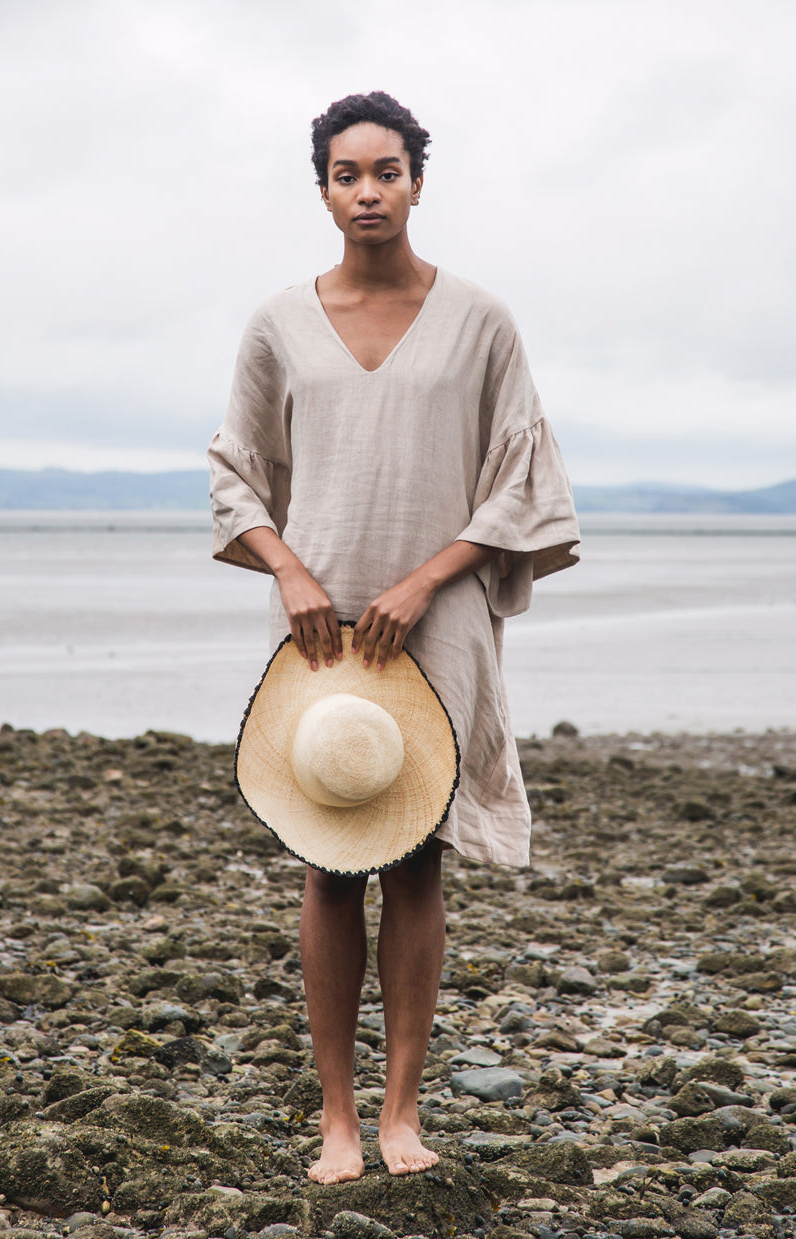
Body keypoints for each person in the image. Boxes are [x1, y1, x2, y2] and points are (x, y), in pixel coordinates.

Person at [209, 91, 579, 1185]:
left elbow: (519, 473)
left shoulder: (480, 320)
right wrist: (288, 571)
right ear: (321, 189)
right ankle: (334, 1117)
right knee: (328, 854)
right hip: (319, 621)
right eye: (343, 174)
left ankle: (404, 1110)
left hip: (442, 609)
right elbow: (237, 473)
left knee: (416, 857)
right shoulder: (279, 323)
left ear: (419, 178)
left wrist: (426, 578)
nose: (366, 191)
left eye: (385, 171)